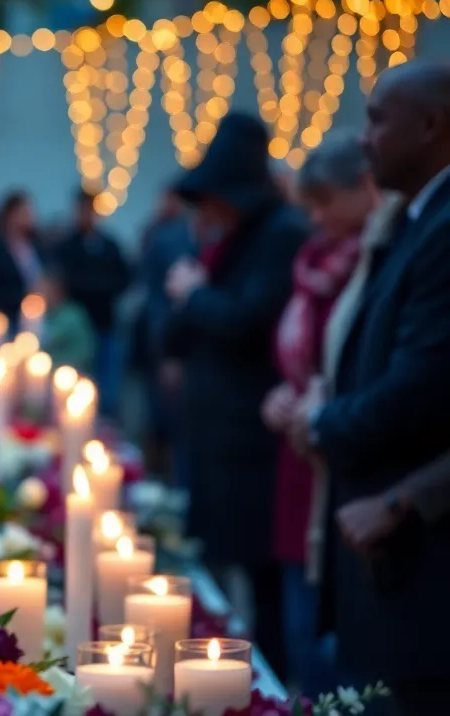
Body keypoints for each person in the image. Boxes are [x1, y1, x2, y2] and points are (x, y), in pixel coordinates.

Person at [289, 62, 450, 713]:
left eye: (378, 120)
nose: (363, 138)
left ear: (432, 125)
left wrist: (323, 424)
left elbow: (423, 383)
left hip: (423, 562)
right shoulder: (420, 220)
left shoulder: (442, 228)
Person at [163, 112, 308, 678]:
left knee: (264, 577)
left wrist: (195, 296)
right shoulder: (232, 237)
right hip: (221, 433)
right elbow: (177, 331)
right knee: (237, 570)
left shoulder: (280, 232)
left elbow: (250, 320)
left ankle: (269, 681)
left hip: (254, 437)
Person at [258, 131, 379, 694]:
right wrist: (283, 395)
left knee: (342, 657)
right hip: (299, 464)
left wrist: (318, 406)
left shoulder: (375, 264)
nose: (315, 215)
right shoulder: (311, 264)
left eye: (325, 200)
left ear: (365, 188)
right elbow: (295, 360)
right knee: (300, 630)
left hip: (350, 470)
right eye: (309, 203)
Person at [132, 182, 195, 486]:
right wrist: (167, 354)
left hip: (193, 356)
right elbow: (157, 304)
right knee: (166, 423)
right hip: (170, 349)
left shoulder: (193, 234)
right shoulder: (165, 238)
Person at [49, 189, 132, 415]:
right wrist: (97, 285)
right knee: (76, 383)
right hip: (75, 329)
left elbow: (124, 277)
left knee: (107, 389)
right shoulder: (66, 247)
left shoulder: (109, 245)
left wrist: (94, 286)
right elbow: (65, 280)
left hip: (105, 323)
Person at [0, 190, 50, 321]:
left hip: (41, 313)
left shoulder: (39, 247)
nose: (30, 217)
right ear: (10, 215)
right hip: (10, 315)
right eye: (24, 213)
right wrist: (28, 294)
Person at [38, 269, 97, 376]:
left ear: (56, 290)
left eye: (43, 289)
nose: (38, 293)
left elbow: (43, 340)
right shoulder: (49, 313)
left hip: (72, 373)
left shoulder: (71, 315)